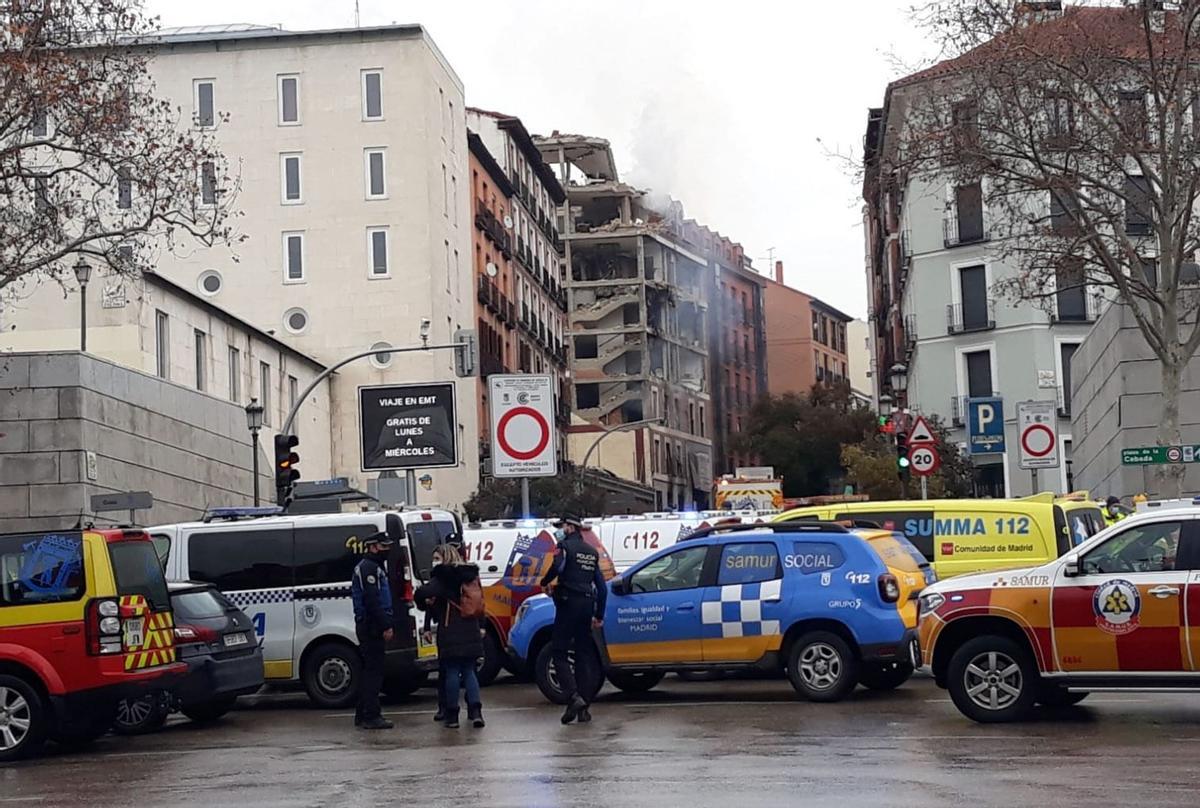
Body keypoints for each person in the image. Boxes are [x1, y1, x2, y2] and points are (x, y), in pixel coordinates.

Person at [540, 514, 607, 725]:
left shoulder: (564, 547)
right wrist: (599, 615)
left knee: (559, 651)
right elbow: (602, 587)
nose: (559, 530)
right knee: (583, 655)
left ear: (570, 527)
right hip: (588, 604)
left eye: (561, 526)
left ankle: (573, 696)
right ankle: (583, 708)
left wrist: (545, 582)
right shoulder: (591, 551)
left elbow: (558, 567)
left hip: (569, 602)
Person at [415, 544, 485, 729]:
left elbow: (422, 593)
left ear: (444, 557)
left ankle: (452, 714)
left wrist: (422, 601)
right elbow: (481, 601)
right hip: (470, 627)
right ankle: (476, 711)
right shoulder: (470, 575)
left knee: (452, 672)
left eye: (437, 557)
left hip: (450, 630)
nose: (434, 561)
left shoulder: (443, 577)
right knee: (470, 672)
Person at [350, 531, 394, 730]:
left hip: (370, 624)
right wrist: (385, 625)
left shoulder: (373, 566)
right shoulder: (368, 568)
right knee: (374, 673)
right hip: (371, 626)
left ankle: (362, 713)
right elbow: (372, 600)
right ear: (373, 546)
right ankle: (371, 715)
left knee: (369, 670)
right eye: (384, 546)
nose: (387, 549)